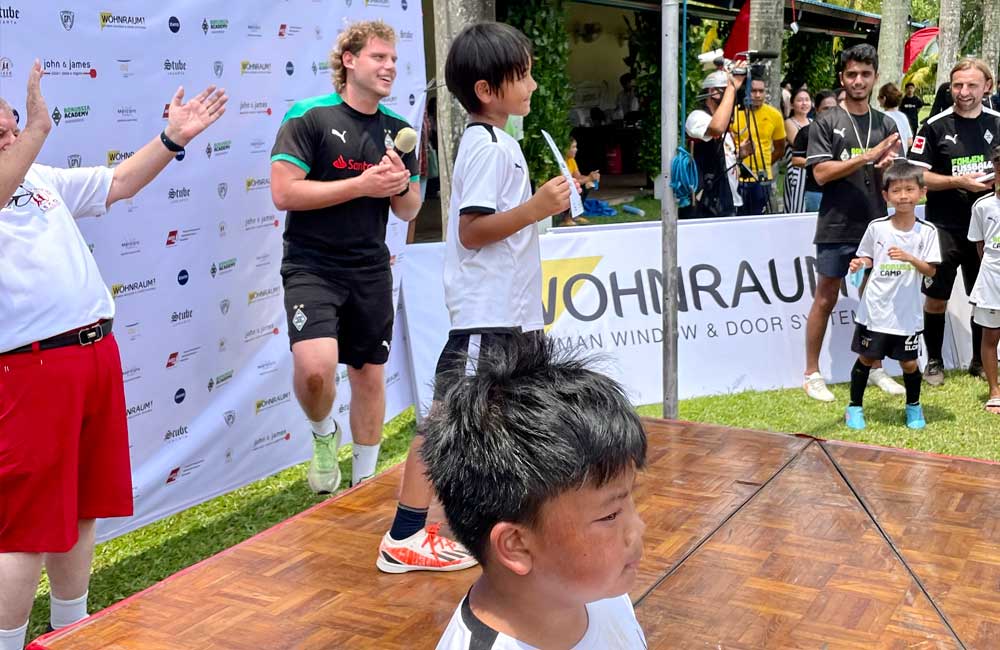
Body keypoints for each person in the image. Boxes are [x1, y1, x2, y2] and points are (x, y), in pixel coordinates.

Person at [0, 61, 226, 650]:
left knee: (80, 506)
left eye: (8, 120)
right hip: (29, 368)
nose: (7, 126)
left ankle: (70, 629)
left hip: (93, 353)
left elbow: (119, 182)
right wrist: (37, 132)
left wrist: (173, 136)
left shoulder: (39, 178)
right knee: (23, 526)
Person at [376, 21, 574, 574]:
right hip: (486, 318)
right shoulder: (486, 145)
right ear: (487, 90)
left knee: (512, 422)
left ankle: (511, 522)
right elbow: (472, 229)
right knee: (448, 420)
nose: (533, 85)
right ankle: (404, 535)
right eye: (524, 74)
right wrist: (538, 207)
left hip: (512, 317)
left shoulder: (499, 142)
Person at [270, 20, 422, 493]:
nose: (390, 66)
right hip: (312, 265)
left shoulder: (399, 130)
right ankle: (322, 433)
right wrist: (362, 185)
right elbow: (283, 193)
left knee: (369, 375)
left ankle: (364, 485)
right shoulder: (308, 116)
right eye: (379, 57)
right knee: (315, 371)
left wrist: (399, 185)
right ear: (349, 61)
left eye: (394, 59)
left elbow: (410, 208)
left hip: (370, 267)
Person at [425, 335, 648, 649]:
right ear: (516, 545)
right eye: (610, 515)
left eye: (629, 502)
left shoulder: (597, 593)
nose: (637, 528)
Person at [803, 43, 902, 402]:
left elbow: (897, 177)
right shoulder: (826, 122)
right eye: (851, 74)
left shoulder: (887, 122)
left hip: (876, 225)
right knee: (825, 298)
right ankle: (812, 373)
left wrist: (890, 168)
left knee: (875, 297)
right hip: (836, 223)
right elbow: (821, 172)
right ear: (842, 78)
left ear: (875, 77)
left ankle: (874, 366)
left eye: (865, 74)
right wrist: (867, 157)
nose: (858, 81)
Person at [908, 58, 1000, 385]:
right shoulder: (934, 126)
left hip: (987, 232)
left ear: (987, 86)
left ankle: (979, 360)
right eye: (958, 85)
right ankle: (933, 360)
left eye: (972, 85)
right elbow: (917, 174)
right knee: (937, 296)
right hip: (943, 227)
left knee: (983, 298)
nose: (963, 92)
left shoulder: (997, 122)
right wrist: (957, 182)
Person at [844, 162, 940, 430]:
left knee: (909, 363)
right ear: (886, 196)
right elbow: (865, 257)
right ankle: (854, 407)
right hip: (875, 309)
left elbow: (931, 269)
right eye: (896, 191)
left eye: (910, 189)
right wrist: (859, 264)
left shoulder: (927, 231)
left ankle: (913, 407)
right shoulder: (877, 228)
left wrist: (909, 257)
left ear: (921, 191)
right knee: (866, 358)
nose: (903, 196)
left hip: (907, 312)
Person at [684, 69, 751, 218]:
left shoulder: (725, 123)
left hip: (728, 199)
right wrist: (732, 87)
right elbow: (716, 128)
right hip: (706, 203)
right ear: (714, 92)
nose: (733, 97)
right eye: (727, 92)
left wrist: (740, 155)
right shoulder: (697, 116)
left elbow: (722, 158)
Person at [968, 145, 1000, 414]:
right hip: (992, 281)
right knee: (990, 336)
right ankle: (994, 390)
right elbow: (980, 246)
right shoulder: (982, 206)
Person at [732, 77, 786, 215]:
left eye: (761, 91)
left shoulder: (774, 115)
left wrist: (765, 163)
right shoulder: (734, 113)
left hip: (762, 179)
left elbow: (780, 149)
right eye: (753, 91)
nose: (757, 95)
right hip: (736, 177)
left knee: (757, 218)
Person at [791, 89, 838, 212]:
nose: (830, 112)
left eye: (834, 108)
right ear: (817, 109)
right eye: (825, 108)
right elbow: (795, 160)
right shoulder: (806, 132)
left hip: (841, 190)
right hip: (815, 192)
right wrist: (818, 163)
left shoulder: (844, 131)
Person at [783, 87, 813, 213]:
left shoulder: (813, 122)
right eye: (800, 100)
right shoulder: (789, 123)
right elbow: (798, 144)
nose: (804, 103)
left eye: (807, 100)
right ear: (792, 104)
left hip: (811, 169)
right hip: (797, 171)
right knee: (796, 206)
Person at [557, 137, 597, 227]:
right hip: (563, 188)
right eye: (573, 147)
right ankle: (566, 218)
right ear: (566, 149)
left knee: (587, 185)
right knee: (574, 187)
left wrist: (590, 177)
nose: (576, 149)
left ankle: (575, 215)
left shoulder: (572, 160)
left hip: (571, 186)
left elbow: (578, 176)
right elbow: (567, 182)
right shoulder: (561, 163)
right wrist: (588, 178)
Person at [878, 82, 914, 149]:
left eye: (879, 97)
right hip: (902, 156)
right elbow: (909, 141)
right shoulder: (903, 116)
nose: (878, 99)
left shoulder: (881, 117)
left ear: (884, 99)